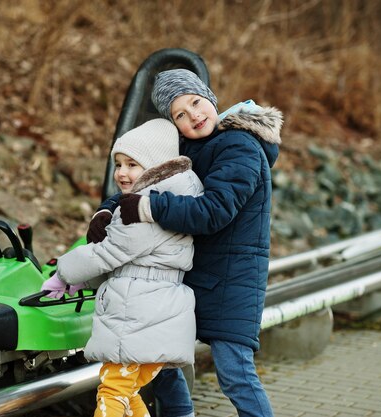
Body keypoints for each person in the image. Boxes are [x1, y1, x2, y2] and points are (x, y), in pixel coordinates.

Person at [89, 68, 283, 417]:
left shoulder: (240, 146)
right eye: (180, 113)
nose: (193, 115)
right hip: (188, 274)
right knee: (159, 357)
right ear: (173, 122)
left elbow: (215, 211)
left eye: (195, 102)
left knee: (234, 371)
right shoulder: (182, 149)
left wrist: (149, 208)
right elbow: (140, 180)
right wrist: (106, 212)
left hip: (231, 277)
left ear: (210, 98)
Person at [41, 118, 204, 417]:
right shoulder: (169, 198)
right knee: (126, 391)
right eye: (118, 164)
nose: (121, 173)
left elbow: (111, 251)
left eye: (132, 164)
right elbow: (124, 260)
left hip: (140, 311)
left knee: (113, 390)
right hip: (149, 308)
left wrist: (64, 274)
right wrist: (83, 281)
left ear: (154, 166)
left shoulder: (146, 207)